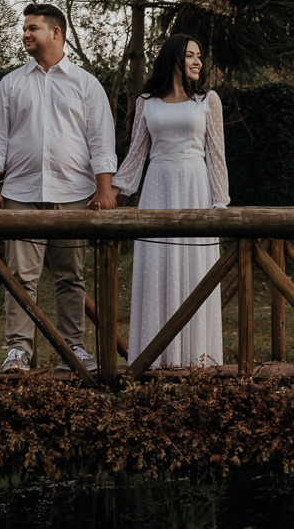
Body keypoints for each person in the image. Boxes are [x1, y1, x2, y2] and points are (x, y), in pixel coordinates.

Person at [0, 3, 117, 373]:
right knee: (21, 277)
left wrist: (105, 190)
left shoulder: (86, 84)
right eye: (24, 28)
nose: (25, 33)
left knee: (71, 277)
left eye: (32, 27)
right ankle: (19, 351)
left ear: (56, 33)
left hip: (74, 195)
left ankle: (74, 350)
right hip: (21, 196)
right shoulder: (11, 84)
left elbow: (101, 141)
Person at [112, 34, 229, 368]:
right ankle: (156, 357)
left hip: (195, 187)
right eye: (190, 55)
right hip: (158, 188)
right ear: (173, 58)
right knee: (158, 269)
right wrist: (113, 192)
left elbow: (216, 155)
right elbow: (136, 154)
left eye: (200, 56)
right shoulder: (147, 102)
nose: (197, 61)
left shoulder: (208, 101)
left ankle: (197, 358)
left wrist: (221, 204)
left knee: (196, 271)